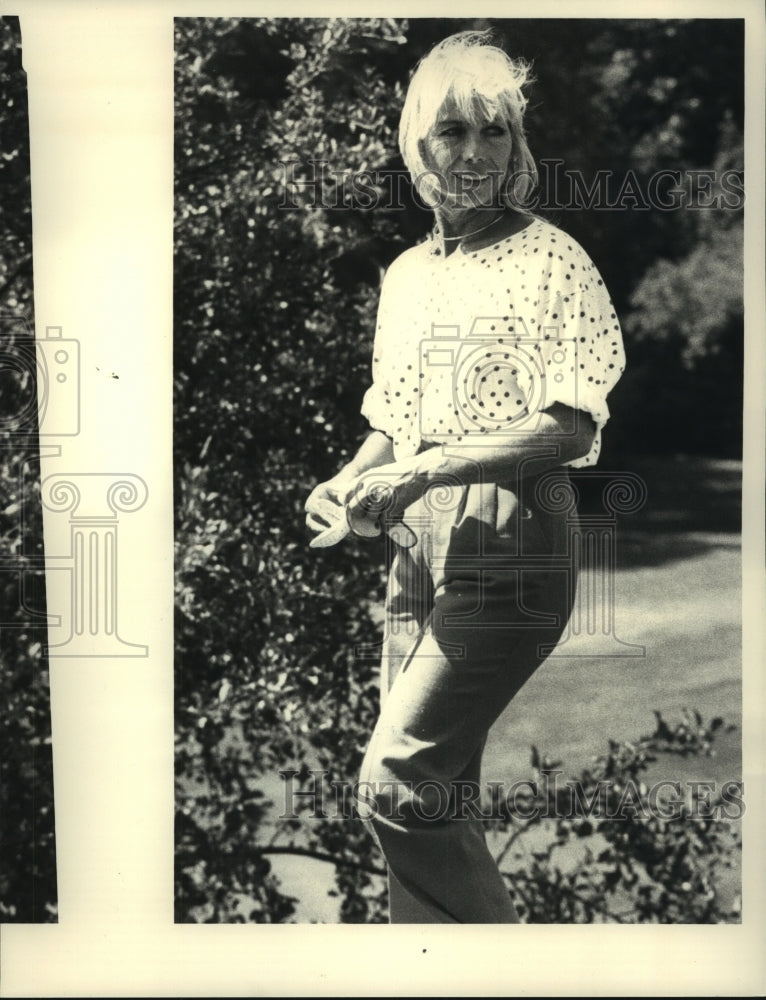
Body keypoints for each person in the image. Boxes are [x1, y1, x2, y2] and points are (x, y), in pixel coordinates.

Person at [305, 30, 625, 923]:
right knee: (435, 798)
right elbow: (395, 421)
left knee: (397, 783)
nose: (475, 152)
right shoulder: (407, 275)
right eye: (453, 131)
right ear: (417, 143)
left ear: (518, 145)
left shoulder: (553, 259)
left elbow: (569, 426)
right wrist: (348, 479)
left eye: (495, 131)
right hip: (417, 543)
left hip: (515, 535)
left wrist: (426, 469)